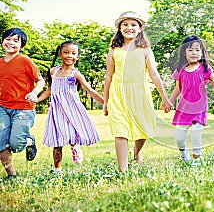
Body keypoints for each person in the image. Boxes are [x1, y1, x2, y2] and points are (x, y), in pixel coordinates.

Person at [103, 11, 172, 172]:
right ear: (119, 28)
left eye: (133, 25)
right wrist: (106, 101)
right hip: (118, 94)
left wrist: (165, 98)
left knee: (142, 129)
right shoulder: (114, 50)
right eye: (125, 24)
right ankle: (123, 170)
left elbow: (154, 74)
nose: (129, 28)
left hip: (140, 94)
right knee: (120, 131)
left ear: (140, 29)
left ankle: (137, 150)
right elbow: (108, 76)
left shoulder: (145, 50)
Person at [38, 41, 103, 173]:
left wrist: (105, 103)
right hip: (56, 110)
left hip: (72, 109)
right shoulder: (53, 71)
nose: (69, 55)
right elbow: (51, 89)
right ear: (60, 54)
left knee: (72, 133)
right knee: (57, 140)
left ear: (77, 57)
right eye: (66, 52)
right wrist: (37, 99)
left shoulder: (76, 74)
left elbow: (90, 91)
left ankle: (75, 145)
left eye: (73, 53)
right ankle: (57, 170)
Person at [0, 28, 45, 177]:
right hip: (3, 107)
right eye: (8, 39)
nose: (11, 43)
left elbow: (40, 80)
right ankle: (12, 175)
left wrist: (34, 93)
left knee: (16, 144)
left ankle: (29, 141)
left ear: (21, 45)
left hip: (23, 108)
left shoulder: (24, 61)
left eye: (16, 40)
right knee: (0, 142)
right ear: (2, 41)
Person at [169, 35, 214, 165]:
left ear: (202, 53)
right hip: (183, 109)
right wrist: (168, 102)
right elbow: (177, 89)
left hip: (199, 108)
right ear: (184, 53)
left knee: (196, 133)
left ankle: (196, 159)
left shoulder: (205, 68)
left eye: (197, 50)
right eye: (190, 50)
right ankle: (184, 153)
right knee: (179, 138)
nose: (194, 53)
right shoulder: (180, 70)